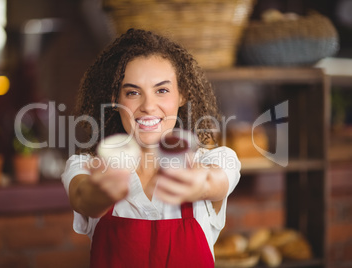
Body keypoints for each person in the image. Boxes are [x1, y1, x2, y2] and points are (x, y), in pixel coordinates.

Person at [61, 28, 241, 267]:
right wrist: (102, 192)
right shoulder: (87, 165)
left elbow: (214, 182)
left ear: (183, 95)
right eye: (133, 92)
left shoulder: (214, 161)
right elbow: (82, 197)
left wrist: (199, 184)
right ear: (115, 98)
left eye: (162, 90)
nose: (148, 106)